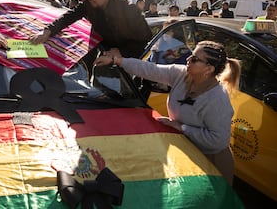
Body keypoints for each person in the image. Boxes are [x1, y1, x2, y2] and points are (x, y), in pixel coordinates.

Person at [94, 40, 241, 186]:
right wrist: (117, 61)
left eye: (195, 59)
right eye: (191, 55)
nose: (188, 60)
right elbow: (150, 69)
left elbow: (218, 140)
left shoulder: (217, 99)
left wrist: (181, 127)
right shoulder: (181, 74)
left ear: (209, 69)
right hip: (186, 153)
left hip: (211, 162)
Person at [29, 0, 152, 58]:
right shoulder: (89, 3)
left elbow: (147, 39)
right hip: (97, 55)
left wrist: (122, 52)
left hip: (125, 68)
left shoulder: (129, 10)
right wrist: (48, 31)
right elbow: (70, 16)